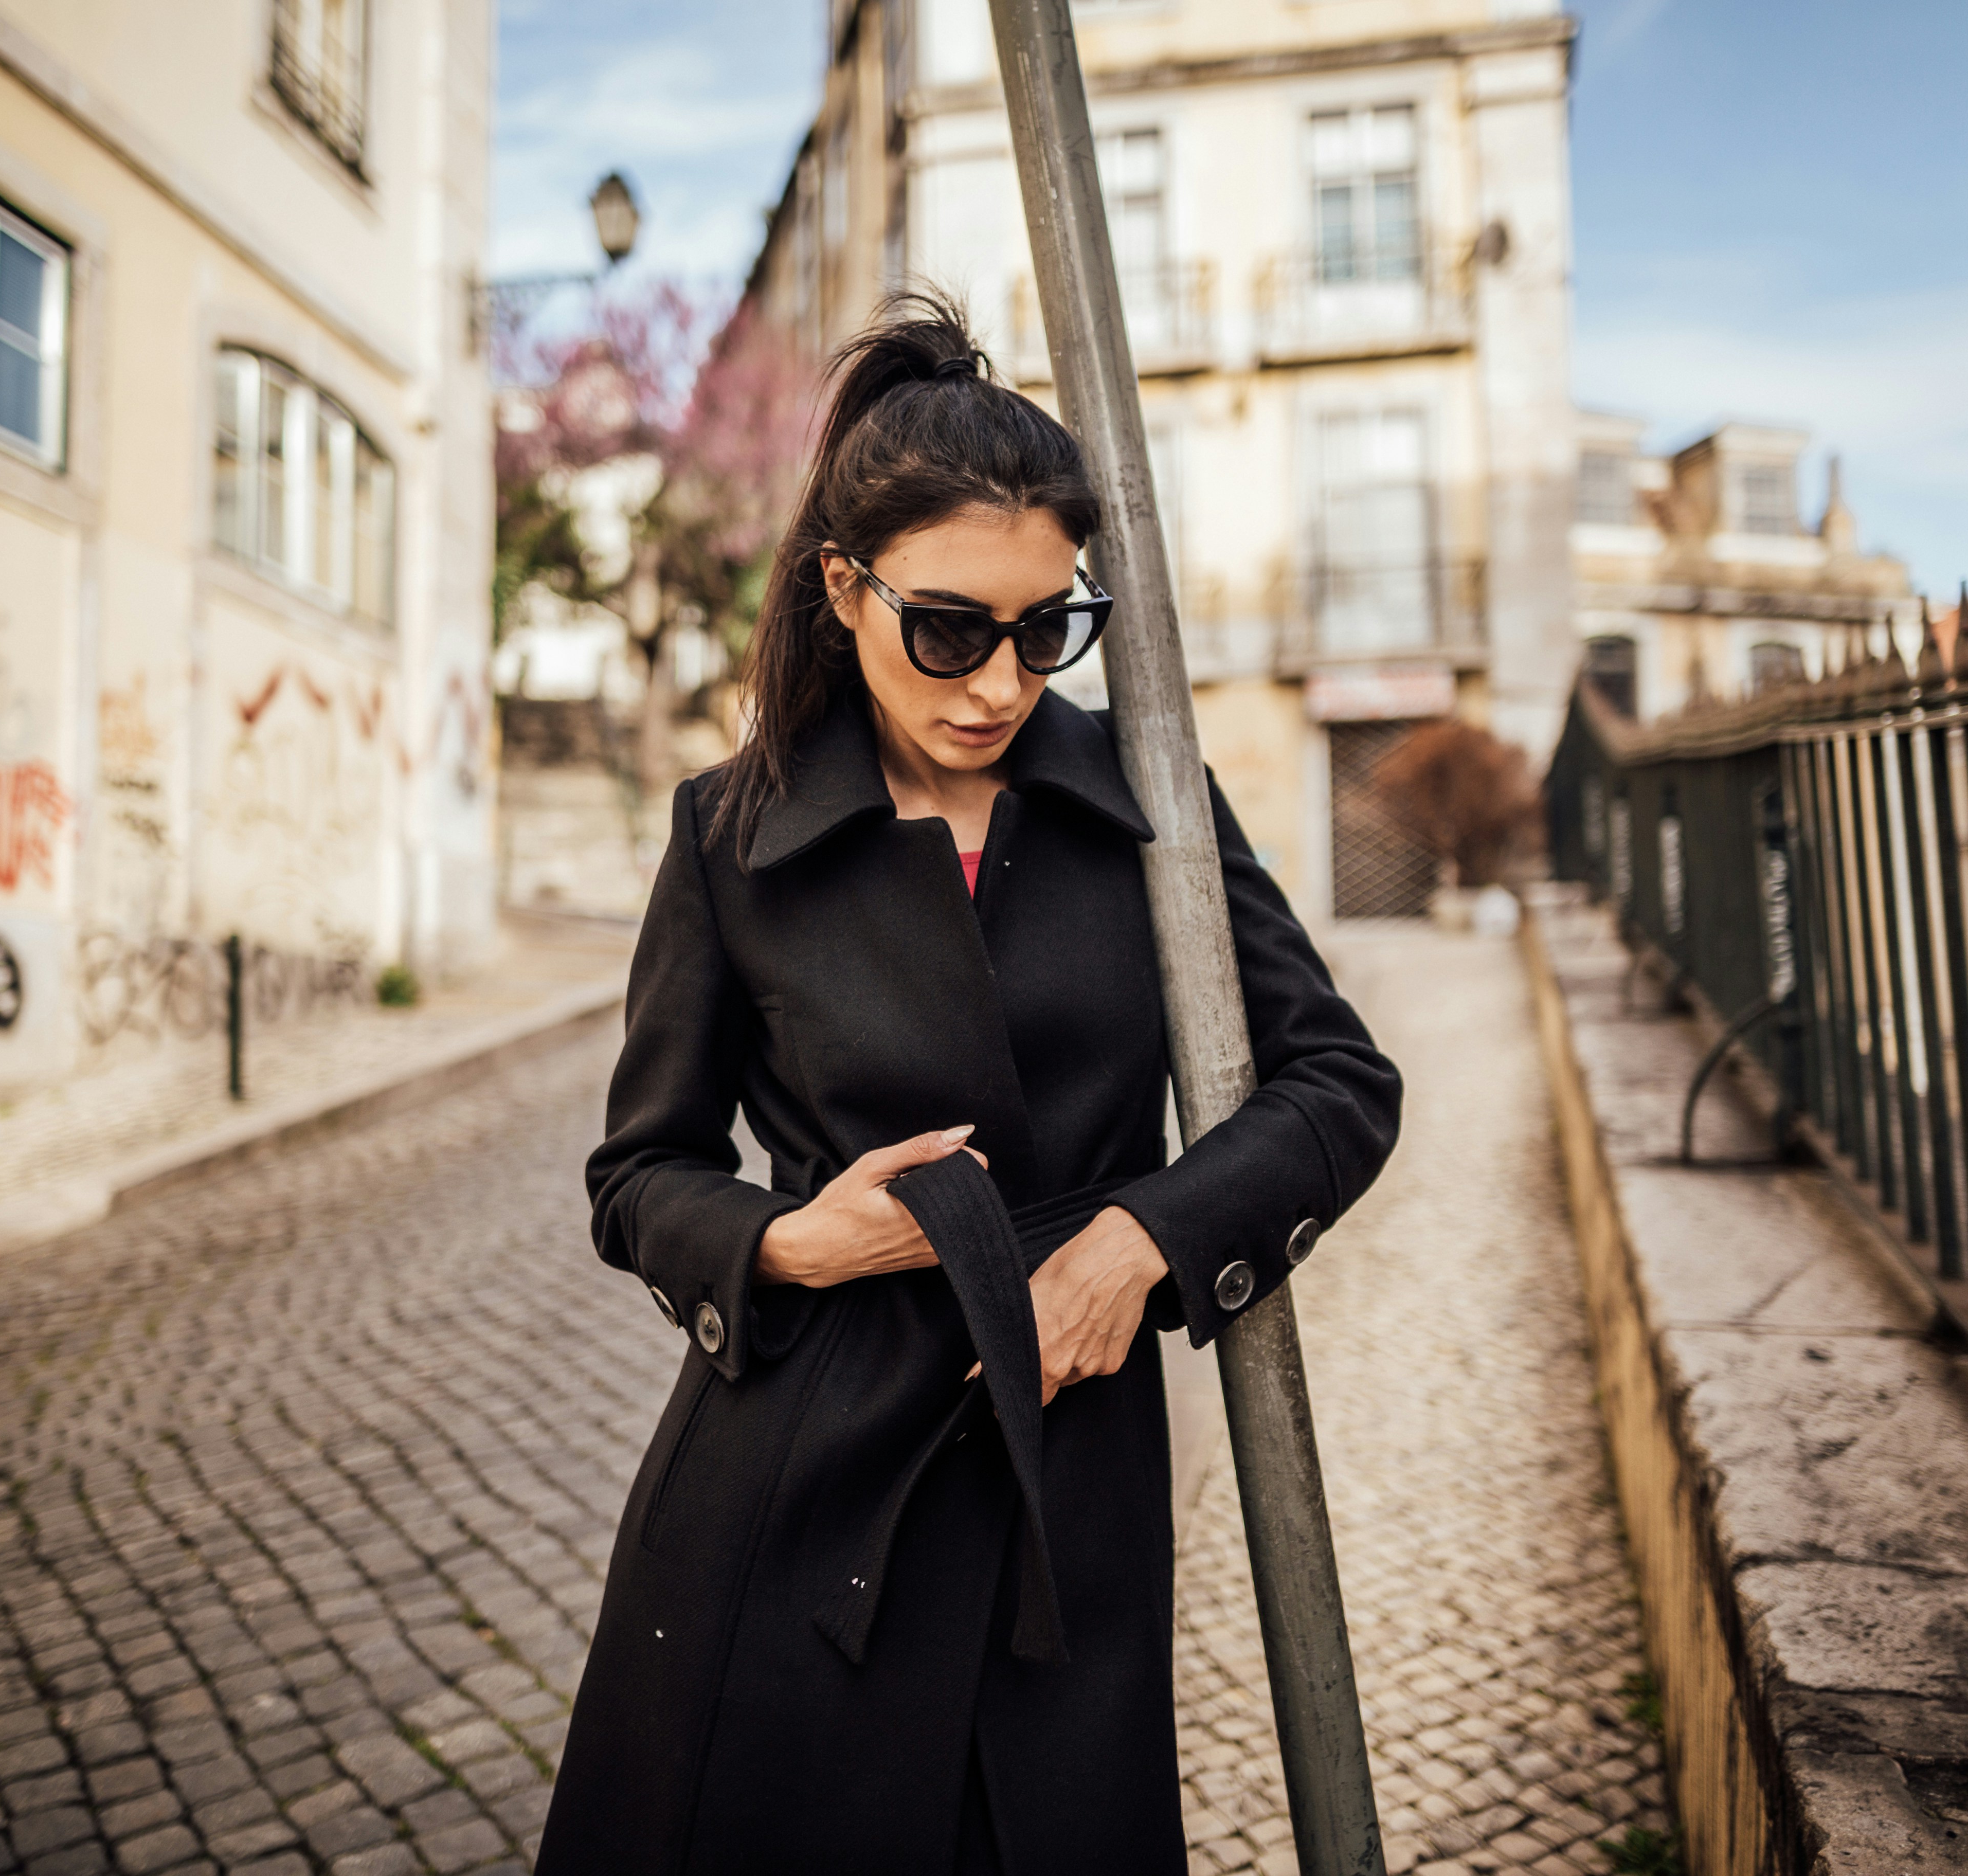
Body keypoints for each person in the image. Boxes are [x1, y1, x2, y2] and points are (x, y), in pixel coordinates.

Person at [536, 293, 1402, 1875]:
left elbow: (1339, 1083)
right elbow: (637, 1178)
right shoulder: (730, 836)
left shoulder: (1149, 799)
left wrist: (1140, 1242)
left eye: (1045, 630)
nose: (1000, 683)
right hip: (801, 1485)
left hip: (1067, 1486)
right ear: (843, 589)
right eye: (948, 629)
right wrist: (797, 1243)